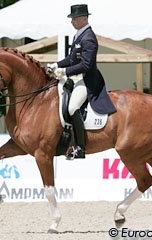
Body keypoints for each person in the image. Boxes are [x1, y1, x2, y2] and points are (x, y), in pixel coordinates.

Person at [48, 4, 116, 159]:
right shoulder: (79, 35)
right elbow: (72, 59)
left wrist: (64, 71)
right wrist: (57, 64)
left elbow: (86, 65)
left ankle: (80, 147)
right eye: (72, 18)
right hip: (76, 78)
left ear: (84, 18)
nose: (72, 21)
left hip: (87, 81)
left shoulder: (89, 38)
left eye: (75, 18)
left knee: (72, 107)